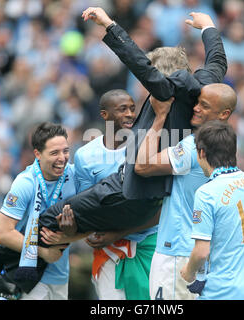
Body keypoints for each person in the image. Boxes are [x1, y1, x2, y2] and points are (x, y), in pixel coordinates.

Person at [0, 7, 226, 294]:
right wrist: (209, 26)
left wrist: (109, 24)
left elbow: (137, 63)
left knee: (50, 219)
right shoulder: (203, 88)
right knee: (56, 229)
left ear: (161, 75)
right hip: (143, 200)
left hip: (128, 192)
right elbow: (218, 61)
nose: (143, 88)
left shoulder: (166, 92)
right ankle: (9, 280)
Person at [42, 89, 158, 300]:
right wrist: (73, 229)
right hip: (108, 248)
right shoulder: (86, 156)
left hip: (149, 244)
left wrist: (120, 233)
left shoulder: (148, 147)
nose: (130, 114)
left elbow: (161, 206)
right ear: (104, 115)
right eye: (123, 109)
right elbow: (89, 209)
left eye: (133, 109)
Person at [0, 122, 85, 299]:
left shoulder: (75, 176)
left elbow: (91, 225)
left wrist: (66, 237)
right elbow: (1, 233)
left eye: (65, 151)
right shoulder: (25, 182)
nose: (62, 158)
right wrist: (43, 252)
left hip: (60, 276)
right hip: (28, 278)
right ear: (37, 154)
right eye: (54, 153)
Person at [134, 83, 237, 300]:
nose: (196, 108)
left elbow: (142, 166)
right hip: (202, 254)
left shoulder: (194, 147)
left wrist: (159, 117)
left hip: (177, 253)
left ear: (224, 114)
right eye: (197, 102)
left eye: (204, 106)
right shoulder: (228, 147)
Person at [180, 120, 244, 300]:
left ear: (201, 153)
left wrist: (188, 272)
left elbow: (201, 251)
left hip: (222, 292)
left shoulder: (206, 193)